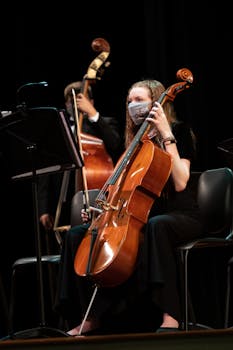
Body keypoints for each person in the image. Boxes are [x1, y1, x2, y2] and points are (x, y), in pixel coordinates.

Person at [55, 78, 204, 335]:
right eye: (129, 101)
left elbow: (180, 182)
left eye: (139, 100)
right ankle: (89, 317)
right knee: (77, 234)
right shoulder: (132, 144)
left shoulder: (178, 131)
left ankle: (171, 315)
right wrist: (100, 211)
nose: (133, 106)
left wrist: (166, 134)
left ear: (156, 102)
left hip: (180, 214)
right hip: (140, 215)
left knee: (157, 227)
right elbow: (123, 190)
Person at [38, 81, 122, 237]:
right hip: (63, 199)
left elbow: (115, 143)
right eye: (71, 101)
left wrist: (92, 114)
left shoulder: (105, 123)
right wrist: (44, 208)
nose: (74, 105)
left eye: (79, 100)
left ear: (91, 102)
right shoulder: (58, 131)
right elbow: (47, 171)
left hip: (94, 195)